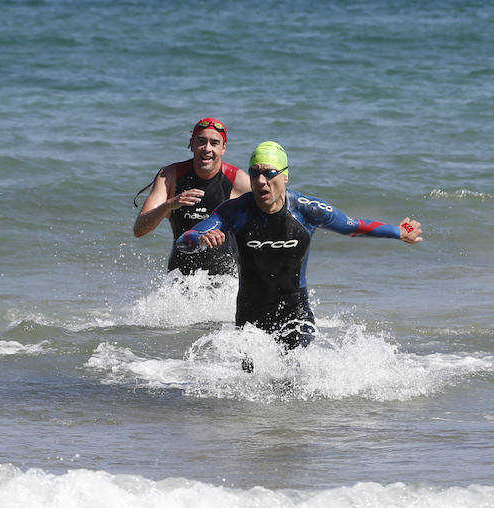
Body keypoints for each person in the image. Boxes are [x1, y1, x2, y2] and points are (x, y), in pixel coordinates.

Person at [176, 141, 422, 354]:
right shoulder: (235, 211)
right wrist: (200, 239)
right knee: (250, 392)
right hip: (250, 313)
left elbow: (353, 226)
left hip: (295, 309)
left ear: (284, 176)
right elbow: (185, 240)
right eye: (254, 173)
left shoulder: (307, 209)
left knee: (294, 376)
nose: (261, 181)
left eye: (269, 173)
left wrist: (397, 232)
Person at [133, 117, 250, 275]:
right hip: (180, 281)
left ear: (223, 148)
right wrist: (168, 205)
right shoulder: (170, 176)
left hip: (226, 284)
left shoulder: (238, 180)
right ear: (192, 144)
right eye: (201, 141)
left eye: (214, 143)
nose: (207, 148)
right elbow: (139, 229)